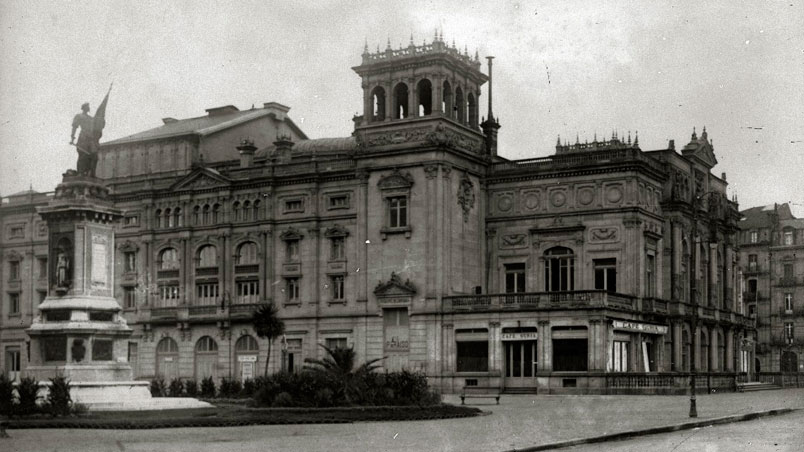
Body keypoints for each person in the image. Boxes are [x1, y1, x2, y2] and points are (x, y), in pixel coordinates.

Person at [70, 102, 98, 176]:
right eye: (87, 106)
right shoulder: (79, 116)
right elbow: (74, 126)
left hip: (91, 139)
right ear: (84, 108)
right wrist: (72, 137)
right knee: (83, 155)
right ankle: (80, 172)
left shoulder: (91, 118)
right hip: (83, 138)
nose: (89, 108)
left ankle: (91, 173)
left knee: (94, 156)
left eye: (89, 106)